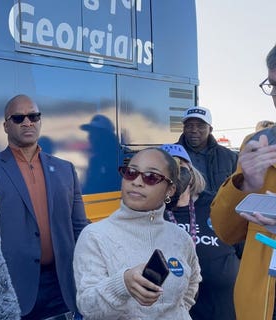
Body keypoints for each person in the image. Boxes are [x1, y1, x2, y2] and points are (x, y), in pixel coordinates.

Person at [0, 94, 89, 319]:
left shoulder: (65, 169)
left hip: (62, 286)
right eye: (18, 118)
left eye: (33, 116)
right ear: (6, 126)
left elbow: (80, 227)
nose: (27, 122)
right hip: (15, 287)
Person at [73, 147, 201, 320]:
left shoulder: (180, 238)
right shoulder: (94, 236)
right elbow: (87, 307)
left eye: (151, 177)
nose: (137, 182)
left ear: (170, 190)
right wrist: (123, 283)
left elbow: (191, 287)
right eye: (131, 173)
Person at [210, 43, 276, 319]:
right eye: (273, 85)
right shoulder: (258, 145)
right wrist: (244, 185)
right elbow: (226, 232)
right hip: (260, 306)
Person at [160, 144, 240, 320]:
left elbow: (244, 249)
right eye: (166, 168)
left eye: (180, 167)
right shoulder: (149, 212)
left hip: (221, 311)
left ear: (191, 171)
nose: (175, 173)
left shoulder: (217, 205)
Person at [176, 105, 238, 193]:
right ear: (184, 128)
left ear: (210, 129)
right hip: (182, 207)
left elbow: (238, 188)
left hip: (217, 206)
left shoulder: (230, 157)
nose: (194, 130)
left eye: (200, 126)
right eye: (189, 126)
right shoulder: (170, 154)